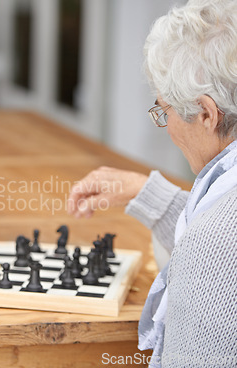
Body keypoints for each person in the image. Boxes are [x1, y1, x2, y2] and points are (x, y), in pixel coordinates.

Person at [68, 1, 237, 367]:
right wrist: (150, 195)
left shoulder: (217, 241)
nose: (166, 124)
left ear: (206, 113)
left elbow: (216, 250)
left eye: (165, 111)